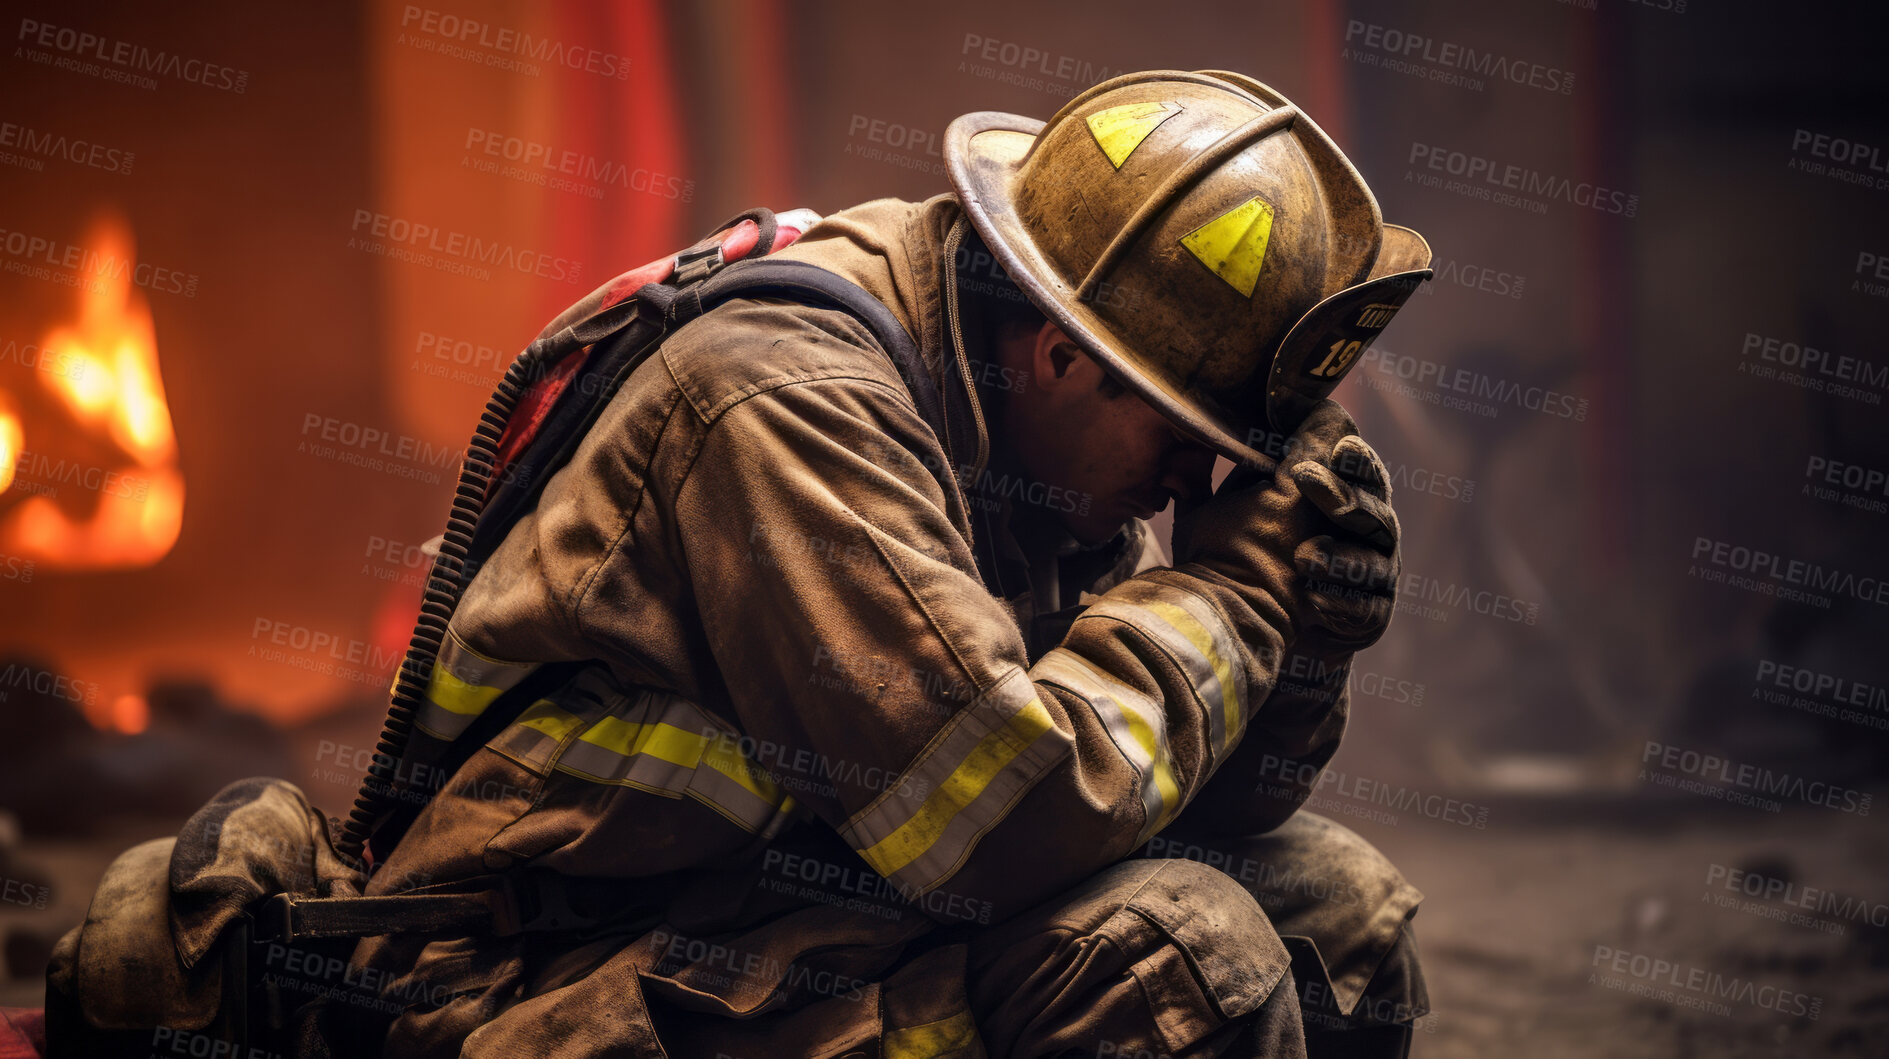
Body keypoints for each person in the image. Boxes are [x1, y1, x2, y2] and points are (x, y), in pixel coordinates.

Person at [327, 68, 1436, 1058]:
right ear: (1061, 354)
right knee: (1177, 957)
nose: (1199, 484)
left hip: (762, 922)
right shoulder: (786, 407)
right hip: (529, 978)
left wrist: (1300, 644)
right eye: (1186, 440)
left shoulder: (1032, 445)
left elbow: (1182, 805)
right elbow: (1000, 828)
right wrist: (1232, 598)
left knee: (1332, 906)